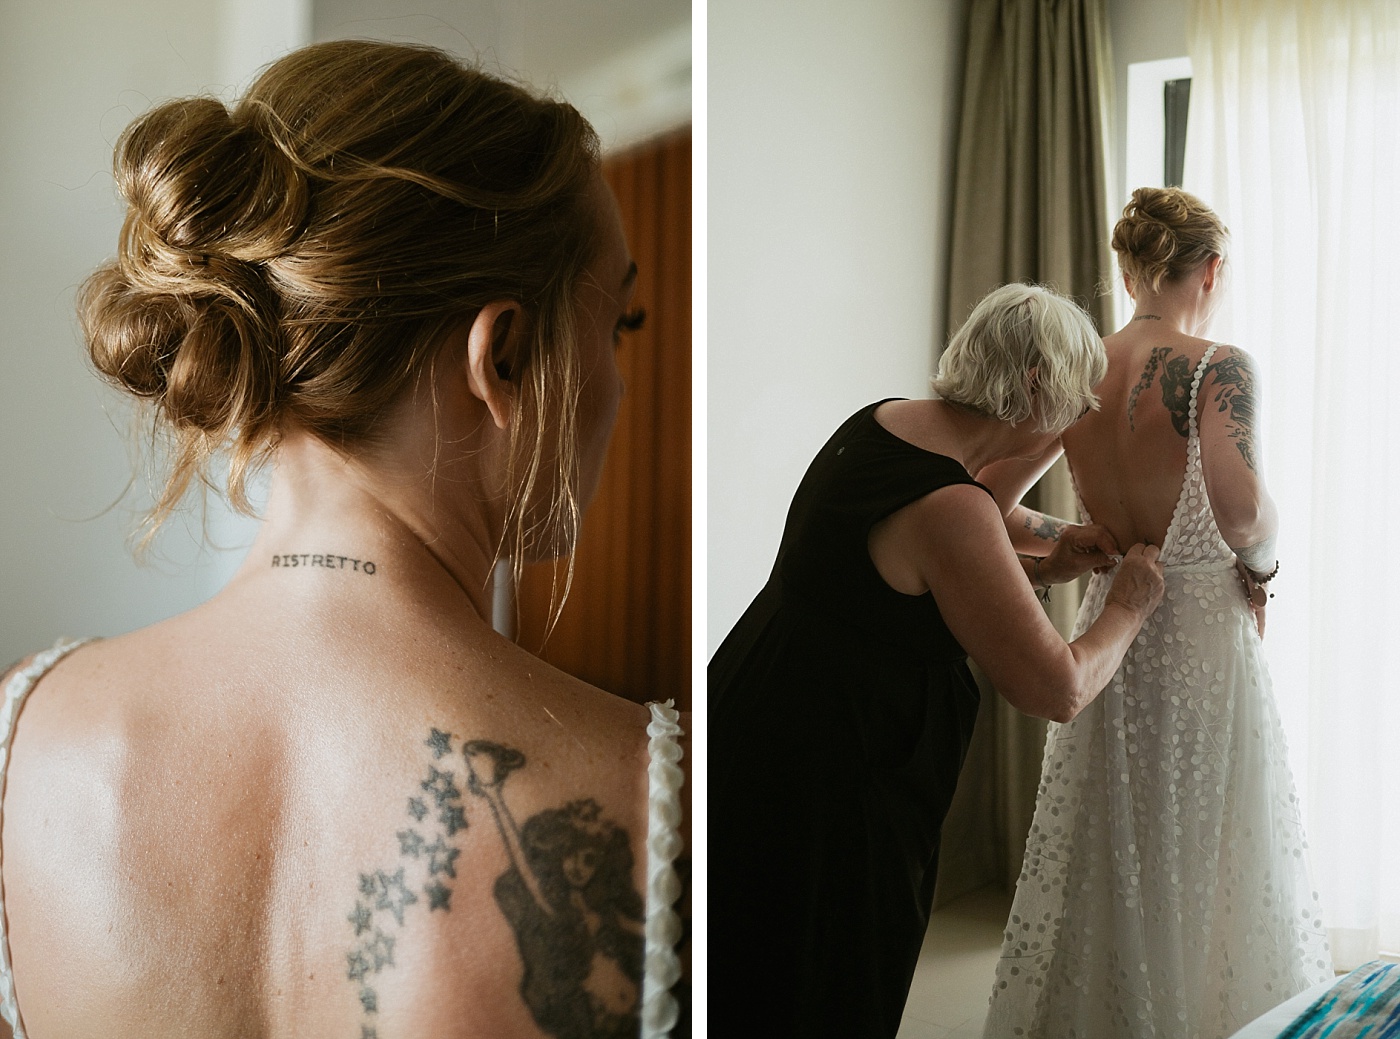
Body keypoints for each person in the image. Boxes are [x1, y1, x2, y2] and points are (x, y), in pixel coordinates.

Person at [0, 40, 687, 1039]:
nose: (620, 382)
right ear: (498, 355)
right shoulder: (654, 800)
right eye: (615, 323)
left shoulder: (23, 746)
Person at [709, 283, 1166, 1039]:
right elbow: (1056, 685)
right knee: (819, 985)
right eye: (1071, 396)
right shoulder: (949, 508)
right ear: (1032, 388)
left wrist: (1050, 557)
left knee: (751, 972)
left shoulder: (883, 424)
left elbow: (962, 540)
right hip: (832, 778)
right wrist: (1128, 608)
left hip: (760, 715)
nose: (1079, 414)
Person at [981, 188, 1331, 1039]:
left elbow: (985, 497)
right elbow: (1242, 509)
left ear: (1127, 268)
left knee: (1118, 839)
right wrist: (1266, 564)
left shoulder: (1084, 367)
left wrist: (1079, 540)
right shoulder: (1221, 366)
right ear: (1210, 271)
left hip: (1117, 624)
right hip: (1203, 625)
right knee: (1210, 844)